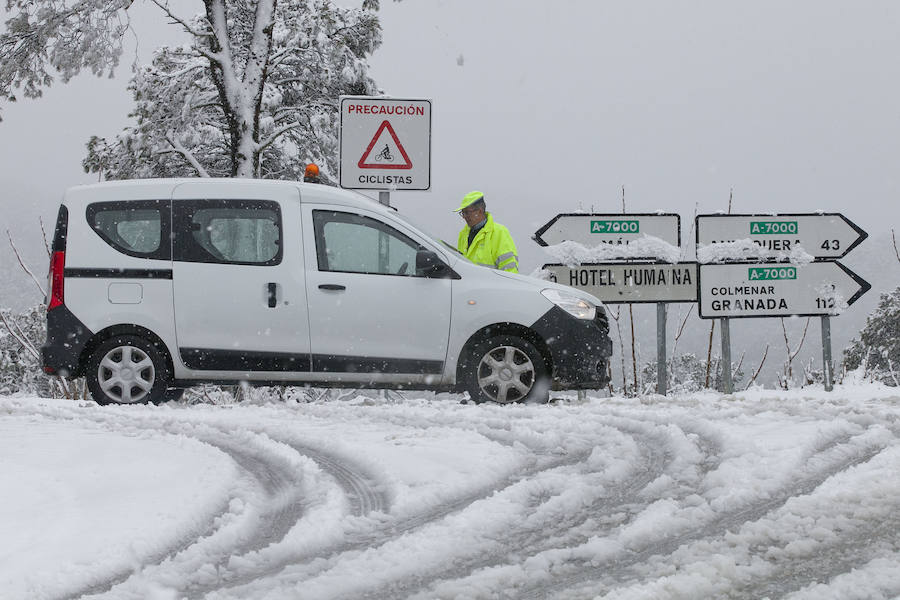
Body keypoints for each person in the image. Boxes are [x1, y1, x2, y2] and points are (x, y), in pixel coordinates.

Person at [455, 191, 518, 273]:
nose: (464, 217)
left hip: (491, 285)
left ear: (480, 211)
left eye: (467, 212)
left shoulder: (499, 232)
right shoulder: (463, 234)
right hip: (467, 285)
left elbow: (510, 269)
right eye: (462, 213)